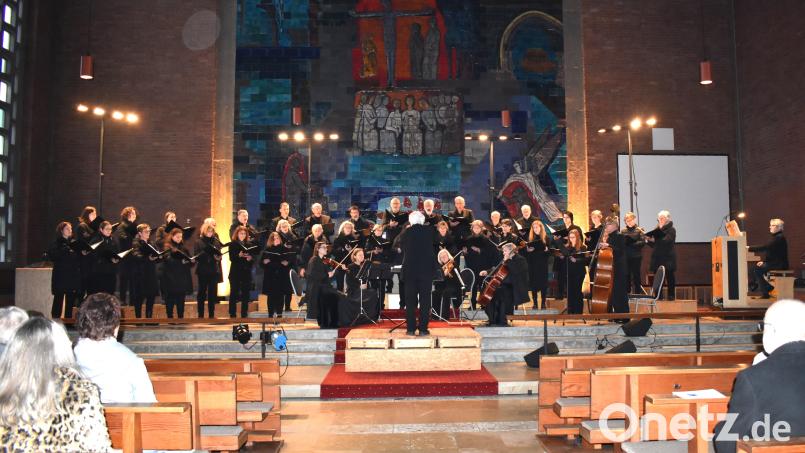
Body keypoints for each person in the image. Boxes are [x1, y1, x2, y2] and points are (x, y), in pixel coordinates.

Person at [0, 317, 113, 452]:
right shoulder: (80, 393)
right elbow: (97, 448)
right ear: (61, 349)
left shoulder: (4, 390)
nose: (71, 342)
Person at [713, 299, 805, 453]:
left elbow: (730, 440)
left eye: (763, 327)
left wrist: (720, 430)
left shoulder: (753, 378)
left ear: (771, 330)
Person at [73, 293, 156, 403]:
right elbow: (147, 404)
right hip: (124, 414)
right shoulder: (131, 361)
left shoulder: (69, 355)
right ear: (116, 326)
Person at [400, 211, 437, 336]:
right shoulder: (429, 231)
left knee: (410, 301)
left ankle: (410, 329)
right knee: (425, 301)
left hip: (410, 271)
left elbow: (402, 246)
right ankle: (423, 329)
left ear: (411, 221)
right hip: (426, 271)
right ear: (422, 221)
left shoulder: (406, 232)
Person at [478, 242, 528, 326]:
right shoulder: (505, 259)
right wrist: (487, 272)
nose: (503, 253)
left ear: (511, 251)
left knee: (502, 293)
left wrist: (507, 260)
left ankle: (502, 320)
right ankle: (492, 319)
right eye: (503, 251)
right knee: (488, 293)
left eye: (505, 251)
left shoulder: (520, 259)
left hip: (513, 286)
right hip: (502, 285)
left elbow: (516, 271)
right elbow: (497, 269)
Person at [48, 221, 82, 319]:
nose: (70, 230)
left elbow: (77, 259)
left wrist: (82, 253)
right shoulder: (57, 243)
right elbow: (53, 256)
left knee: (70, 302)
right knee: (58, 300)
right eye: (67, 228)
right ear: (61, 230)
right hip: (61, 276)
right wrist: (66, 249)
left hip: (72, 276)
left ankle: (68, 323)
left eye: (70, 228)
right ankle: (55, 321)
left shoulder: (74, 243)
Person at [306, 241, 343, 327]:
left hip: (323, 286)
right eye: (324, 247)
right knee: (338, 297)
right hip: (317, 288)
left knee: (340, 296)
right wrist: (327, 275)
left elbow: (324, 275)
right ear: (318, 249)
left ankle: (335, 321)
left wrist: (331, 273)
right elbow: (312, 274)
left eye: (326, 247)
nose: (326, 249)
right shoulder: (314, 260)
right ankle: (332, 321)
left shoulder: (322, 260)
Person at [748, 218, 788, 298]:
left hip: (779, 264)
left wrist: (749, 248)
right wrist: (764, 262)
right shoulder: (776, 237)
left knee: (756, 269)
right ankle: (766, 288)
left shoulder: (779, 237)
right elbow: (772, 253)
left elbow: (765, 247)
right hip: (775, 262)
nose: (770, 227)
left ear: (778, 227)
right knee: (754, 269)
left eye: (772, 225)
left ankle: (766, 290)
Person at [597, 216, 629, 315]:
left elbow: (620, 251)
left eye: (608, 225)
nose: (605, 227)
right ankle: (616, 315)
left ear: (614, 225)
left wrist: (608, 246)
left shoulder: (620, 236)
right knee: (615, 293)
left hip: (619, 268)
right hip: (612, 268)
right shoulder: (610, 237)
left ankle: (623, 316)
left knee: (620, 293)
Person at [161, 228, 195, 318]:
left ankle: (180, 317)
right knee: (170, 299)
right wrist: (181, 261)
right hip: (170, 278)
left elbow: (189, 260)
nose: (179, 239)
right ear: (172, 237)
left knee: (181, 299)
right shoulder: (167, 247)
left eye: (181, 237)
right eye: (177, 237)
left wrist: (191, 261)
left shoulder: (183, 248)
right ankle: (170, 318)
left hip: (182, 278)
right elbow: (168, 260)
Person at [464, 220, 498, 310]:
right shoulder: (468, 239)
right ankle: (472, 304)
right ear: (472, 228)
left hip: (483, 265)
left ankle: (483, 304)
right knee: (473, 285)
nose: (476, 229)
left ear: (481, 229)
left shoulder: (486, 239)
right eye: (474, 228)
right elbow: (467, 253)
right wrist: (465, 253)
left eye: (478, 228)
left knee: (483, 285)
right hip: (472, 265)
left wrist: (480, 250)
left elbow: (490, 253)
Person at [130, 224, 163, 318]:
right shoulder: (136, 242)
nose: (148, 233)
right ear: (140, 233)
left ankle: (149, 319)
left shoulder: (151, 243)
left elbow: (156, 255)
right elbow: (136, 256)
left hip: (151, 273)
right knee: (139, 298)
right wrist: (148, 258)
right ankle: (139, 320)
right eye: (146, 232)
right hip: (140, 274)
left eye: (149, 231)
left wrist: (159, 257)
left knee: (151, 297)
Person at [261, 232, 295, 318]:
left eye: (277, 238)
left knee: (280, 296)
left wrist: (287, 263)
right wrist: (264, 262)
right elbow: (261, 263)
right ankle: (270, 315)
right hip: (271, 276)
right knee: (271, 296)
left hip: (281, 276)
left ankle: (279, 315)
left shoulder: (285, 250)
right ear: (271, 240)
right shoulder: (267, 250)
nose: (276, 240)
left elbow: (291, 262)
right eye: (274, 239)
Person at [646, 210, 677, 300]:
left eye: (662, 218)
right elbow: (653, 245)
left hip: (668, 258)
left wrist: (655, 239)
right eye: (659, 218)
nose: (660, 220)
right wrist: (648, 240)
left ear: (668, 219)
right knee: (658, 278)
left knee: (669, 277)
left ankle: (671, 295)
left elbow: (667, 240)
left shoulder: (671, 229)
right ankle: (658, 296)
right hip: (657, 257)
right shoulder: (657, 229)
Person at [195, 223, 223, 318]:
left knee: (212, 293)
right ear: (204, 231)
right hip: (202, 270)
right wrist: (205, 252)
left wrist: (218, 257)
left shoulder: (216, 241)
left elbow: (219, 255)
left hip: (213, 270)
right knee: (202, 293)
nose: (210, 233)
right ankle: (201, 315)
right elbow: (196, 256)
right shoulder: (199, 242)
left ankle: (211, 314)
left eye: (211, 231)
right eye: (208, 231)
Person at [229, 225, 255, 318]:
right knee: (234, 293)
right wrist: (238, 256)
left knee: (245, 294)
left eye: (244, 233)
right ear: (237, 234)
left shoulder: (249, 245)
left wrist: (250, 259)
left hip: (246, 272)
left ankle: (244, 313)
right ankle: (232, 313)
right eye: (241, 233)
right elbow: (231, 258)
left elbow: (252, 261)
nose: (242, 235)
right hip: (235, 272)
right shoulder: (233, 244)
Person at [523, 220, 551, 310]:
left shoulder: (546, 238)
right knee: (533, 284)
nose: (535, 229)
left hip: (542, 265)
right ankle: (535, 303)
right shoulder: (530, 239)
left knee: (543, 284)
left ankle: (543, 303)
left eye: (537, 227)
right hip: (533, 265)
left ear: (541, 228)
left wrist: (547, 250)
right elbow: (526, 254)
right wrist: (528, 251)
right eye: (534, 228)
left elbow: (550, 253)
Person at [89, 220, 120, 295]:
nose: (109, 231)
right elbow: (92, 255)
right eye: (107, 229)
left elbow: (117, 252)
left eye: (110, 229)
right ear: (101, 229)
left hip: (111, 271)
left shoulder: (113, 239)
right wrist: (106, 258)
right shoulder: (96, 240)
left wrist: (117, 259)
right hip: (100, 271)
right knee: (100, 293)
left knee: (110, 292)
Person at [115, 206, 138, 304]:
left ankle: (133, 301)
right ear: (127, 215)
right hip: (125, 257)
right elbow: (123, 238)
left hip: (133, 257)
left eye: (135, 213)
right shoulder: (122, 226)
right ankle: (122, 300)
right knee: (124, 280)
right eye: (133, 213)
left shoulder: (134, 226)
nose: (135, 215)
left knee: (133, 280)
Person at [563, 229, 589, 314]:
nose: (571, 239)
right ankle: (571, 311)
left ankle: (578, 312)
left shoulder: (583, 247)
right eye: (570, 237)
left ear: (577, 237)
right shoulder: (567, 247)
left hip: (579, 272)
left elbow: (586, 260)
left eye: (573, 237)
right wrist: (561, 256)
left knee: (577, 291)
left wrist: (576, 260)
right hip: (569, 272)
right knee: (570, 292)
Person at [76, 206, 99, 300]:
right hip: (84, 259)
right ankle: (79, 303)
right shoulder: (82, 226)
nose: (95, 216)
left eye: (95, 214)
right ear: (87, 214)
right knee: (83, 283)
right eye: (92, 214)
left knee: (92, 286)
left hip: (93, 259)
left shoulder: (93, 226)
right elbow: (86, 239)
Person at [433, 249, 463, 319]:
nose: (443, 257)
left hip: (453, 286)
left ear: (448, 255)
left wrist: (448, 273)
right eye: (441, 257)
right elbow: (437, 281)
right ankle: (435, 316)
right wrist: (443, 275)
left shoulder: (454, 264)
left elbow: (457, 279)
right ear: (440, 259)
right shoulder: (440, 267)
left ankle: (445, 316)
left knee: (446, 292)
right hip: (443, 286)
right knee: (434, 293)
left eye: (445, 256)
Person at [621, 212, 646, 294]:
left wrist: (631, 243)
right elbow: (621, 243)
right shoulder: (623, 231)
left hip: (636, 256)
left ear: (634, 220)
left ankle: (637, 293)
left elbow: (642, 242)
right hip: (626, 256)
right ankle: (627, 293)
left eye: (630, 220)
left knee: (636, 275)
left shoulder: (640, 230)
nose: (628, 222)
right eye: (627, 220)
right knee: (626, 275)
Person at [332, 221, 360, 291]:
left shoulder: (354, 239)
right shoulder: (337, 239)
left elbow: (357, 253)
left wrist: (351, 251)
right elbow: (334, 252)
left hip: (350, 264)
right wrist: (343, 249)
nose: (348, 229)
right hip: (340, 263)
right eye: (346, 227)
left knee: (351, 284)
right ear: (342, 228)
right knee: (340, 284)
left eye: (350, 228)